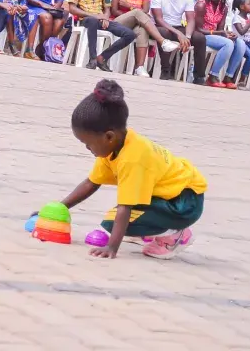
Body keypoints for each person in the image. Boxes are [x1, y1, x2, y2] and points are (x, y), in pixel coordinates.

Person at [53, 79, 207, 260]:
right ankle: (149, 231)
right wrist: (59, 209)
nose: (87, 148)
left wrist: (111, 247)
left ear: (109, 137)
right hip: (166, 195)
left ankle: (177, 233)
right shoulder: (114, 146)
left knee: (113, 223)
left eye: (88, 143)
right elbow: (91, 183)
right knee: (116, 219)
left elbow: (125, 207)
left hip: (185, 202)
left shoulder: (132, 158)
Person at [110, 0, 178, 76]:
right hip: (119, 22)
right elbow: (114, 10)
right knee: (137, 12)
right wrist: (133, 11)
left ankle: (139, 67)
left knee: (142, 29)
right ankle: (162, 41)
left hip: (136, 24)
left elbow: (145, 10)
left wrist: (129, 6)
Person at [69, 0, 133, 72]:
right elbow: (72, 8)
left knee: (130, 34)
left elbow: (107, 8)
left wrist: (105, 17)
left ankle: (102, 57)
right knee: (92, 21)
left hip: (101, 20)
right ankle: (92, 59)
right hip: (86, 19)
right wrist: (95, 16)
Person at [192, 0, 246, 88]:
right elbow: (198, 29)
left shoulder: (223, 7)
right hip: (203, 36)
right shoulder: (201, 5)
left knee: (240, 43)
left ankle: (228, 77)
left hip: (215, 35)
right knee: (228, 44)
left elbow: (221, 28)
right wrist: (220, 33)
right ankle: (213, 76)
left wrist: (228, 34)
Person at [150, 0, 196, 80]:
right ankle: (165, 70)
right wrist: (179, 33)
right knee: (164, 32)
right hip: (159, 26)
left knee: (199, 38)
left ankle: (199, 76)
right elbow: (158, 19)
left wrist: (187, 37)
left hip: (177, 26)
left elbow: (191, 20)